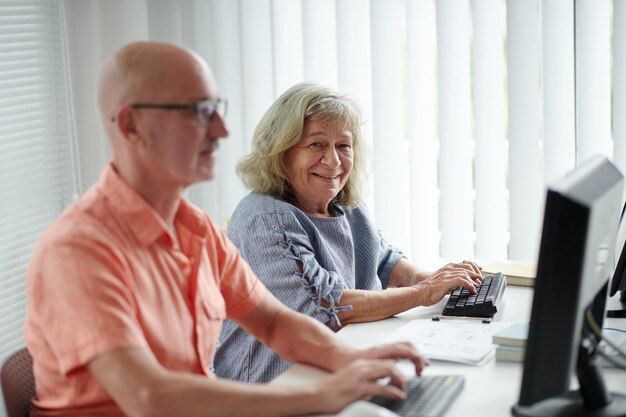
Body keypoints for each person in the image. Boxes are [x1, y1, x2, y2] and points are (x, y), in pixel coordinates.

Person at [23, 42, 429, 417]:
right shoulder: (77, 249)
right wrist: (323, 394)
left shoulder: (195, 228)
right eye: (199, 111)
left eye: (218, 109)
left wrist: (356, 361)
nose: (221, 130)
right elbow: (149, 398)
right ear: (131, 126)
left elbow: (274, 323)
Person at [214, 82, 483, 383]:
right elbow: (320, 306)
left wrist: (434, 279)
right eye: (316, 145)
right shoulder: (266, 218)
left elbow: (383, 262)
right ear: (281, 152)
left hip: (337, 369)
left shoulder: (343, 205)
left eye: (343, 146)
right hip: (273, 386)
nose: (334, 161)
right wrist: (424, 293)